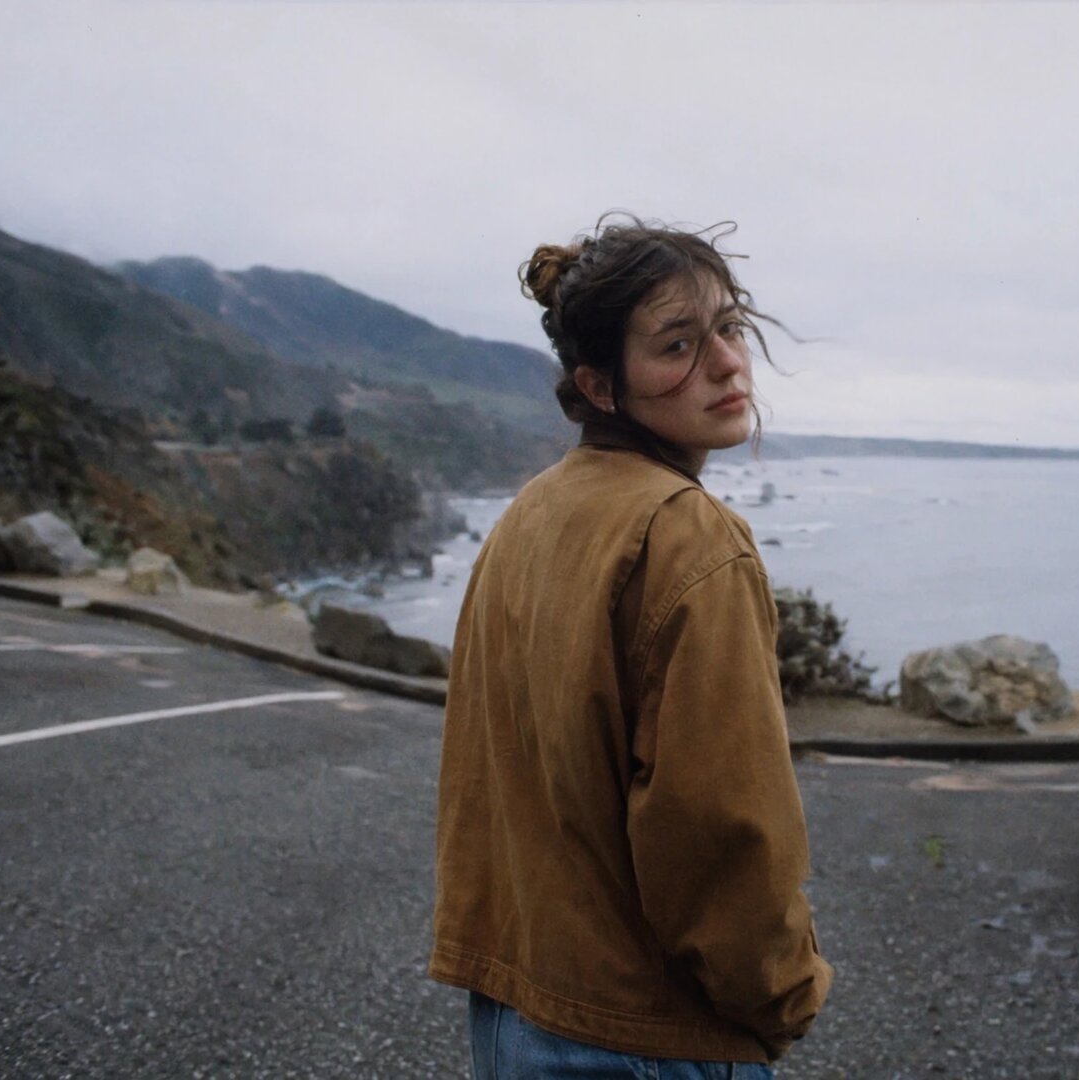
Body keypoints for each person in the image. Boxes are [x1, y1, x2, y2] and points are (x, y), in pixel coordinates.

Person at [430, 215, 832, 1079]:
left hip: (516, 1011)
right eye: (676, 345)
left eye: (728, 326)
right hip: (645, 1036)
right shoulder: (690, 538)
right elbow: (721, 832)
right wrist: (784, 997)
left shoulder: (532, 510)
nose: (725, 363)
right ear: (601, 386)